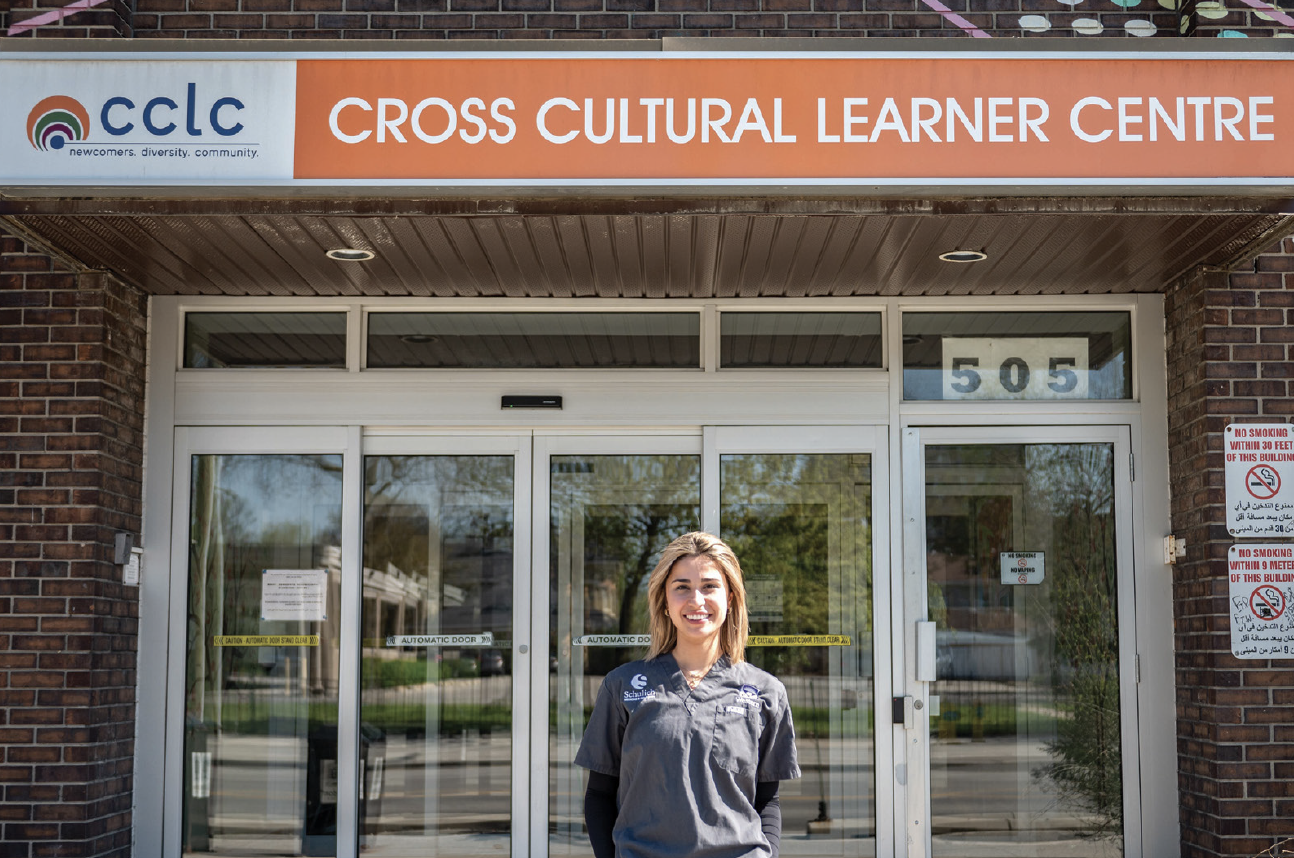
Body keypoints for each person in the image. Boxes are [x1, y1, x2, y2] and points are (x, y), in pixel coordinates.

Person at [575, 532, 800, 858]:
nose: (696, 600)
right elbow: (599, 794)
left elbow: (767, 801)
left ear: (731, 598)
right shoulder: (622, 685)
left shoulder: (766, 693)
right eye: (682, 587)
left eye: (709, 586)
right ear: (665, 602)